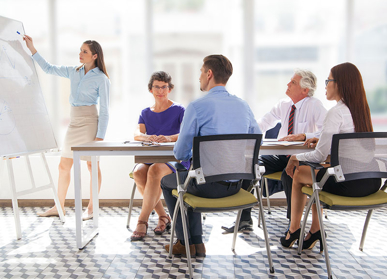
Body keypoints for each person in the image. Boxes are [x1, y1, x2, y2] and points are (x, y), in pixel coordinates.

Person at [160, 54, 262, 257]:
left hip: (206, 188)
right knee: (191, 178)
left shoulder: (197, 107)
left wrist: (194, 153)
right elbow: (256, 139)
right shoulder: (243, 106)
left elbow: (180, 153)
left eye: (200, 72)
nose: (199, 77)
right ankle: (197, 244)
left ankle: (184, 242)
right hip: (236, 186)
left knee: (171, 181)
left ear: (209, 73)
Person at [280, 62, 381, 251]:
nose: (325, 85)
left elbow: (318, 155)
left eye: (329, 80)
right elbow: (350, 146)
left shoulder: (336, 113)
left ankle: (293, 230)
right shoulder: (361, 110)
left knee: (298, 172)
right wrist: (322, 140)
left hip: (348, 183)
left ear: (340, 84)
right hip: (371, 180)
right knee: (319, 172)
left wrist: (294, 157)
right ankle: (316, 229)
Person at [221, 70, 327, 233]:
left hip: (302, 158)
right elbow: (264, 122)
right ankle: (244, 219)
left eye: (293, 82)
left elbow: (326, 133)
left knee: (290, 173)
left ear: (305, 90)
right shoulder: (283, 104)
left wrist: (305, 135)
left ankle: (294, 225)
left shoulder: (315, 105)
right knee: (250, 165)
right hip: (281, 156)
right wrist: (246, 132)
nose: (288, 84)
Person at [23, 35, 110, 220]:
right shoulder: (74, 71)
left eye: (84, 51)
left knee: (91, 165)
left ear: (95, 56)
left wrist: (100, 136)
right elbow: (48, 68)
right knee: (64, 165)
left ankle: (92, 208)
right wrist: (32, 48)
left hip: (90, 122)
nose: (80, 53)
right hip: (74, 121)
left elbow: (104, 110)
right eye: (80, 50)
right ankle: (58, 206)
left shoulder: (102, 79)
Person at [130, 71, 186, 241]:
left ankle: (142, 221)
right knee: (139, 172)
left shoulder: (179, 109)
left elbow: (186, 133)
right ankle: (163, 216)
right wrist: (146, 137)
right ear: (151, 89)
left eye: (164, 87)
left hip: (173, 159)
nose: (160, 90)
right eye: (157, 87)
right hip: (152, 156)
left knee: (154, 170)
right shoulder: (145, 112)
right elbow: (136, 133)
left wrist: (169, 137)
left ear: (169, 89)